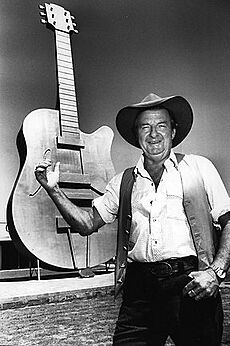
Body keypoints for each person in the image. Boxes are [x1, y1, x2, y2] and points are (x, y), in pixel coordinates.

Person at [35, 92, 230, 346]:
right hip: (140, 291)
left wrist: (215, 273)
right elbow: (86, 223)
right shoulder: (123, 182)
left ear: (173, 132)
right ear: (136, 135)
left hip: (191, 283)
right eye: (145, 127)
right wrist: (53, 189)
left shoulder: (199, 167)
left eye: (161, 126)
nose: (154, 134)